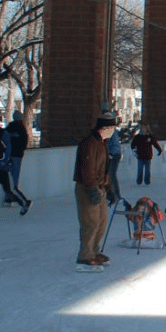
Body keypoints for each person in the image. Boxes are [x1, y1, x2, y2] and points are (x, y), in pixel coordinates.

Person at [73, 112, 119, 272]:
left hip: (99, 187)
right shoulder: (89, 144)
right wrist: (92, 188)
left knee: (101, 222)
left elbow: (105, 170)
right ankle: (85, 255)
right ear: (105, 128)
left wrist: (110, 188)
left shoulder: (101, 144)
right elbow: (87, 169)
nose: (113, 131)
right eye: (112, 128)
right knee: (90, 223)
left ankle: (95, 251)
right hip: (87, 188)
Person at [3, 111, 29, 207]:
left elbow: (4, 138)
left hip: (9, 155)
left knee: (8, 176)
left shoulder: (10, 128)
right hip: (17, 155)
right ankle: (12, 196)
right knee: (14, 176)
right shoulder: (21, 129)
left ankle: (9, 197)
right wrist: (20, 149)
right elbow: (24, 142)